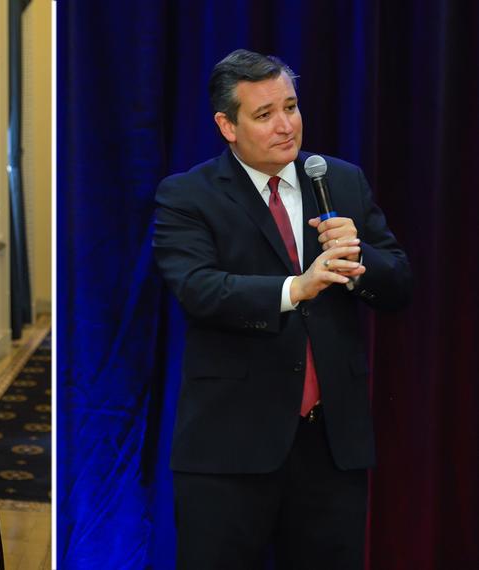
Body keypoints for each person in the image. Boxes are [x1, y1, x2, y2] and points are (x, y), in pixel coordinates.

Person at [153, 49, 412, 568]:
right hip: (230, 447)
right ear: (227, 125)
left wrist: (360, 256)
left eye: (290, 107)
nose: (286, 126)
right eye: (265, 114)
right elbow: (199, 289)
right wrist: (297, 287)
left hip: (331, 445)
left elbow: (400, 283)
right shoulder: (187, 195)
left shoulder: (340, 181)